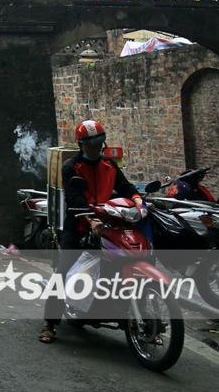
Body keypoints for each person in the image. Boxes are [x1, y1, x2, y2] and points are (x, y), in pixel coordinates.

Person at [40, 119, 142, 343]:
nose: (95, 147)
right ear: (81, 145)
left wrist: (137, 199)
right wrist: (90, 219)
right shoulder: (72, 168)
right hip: (77, 224)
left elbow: (125, 186)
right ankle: (50, 323)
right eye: (90, 144)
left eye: (99, 143)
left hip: (106, 224)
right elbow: (75, 199)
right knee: (64, 271)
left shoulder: (110, 165)